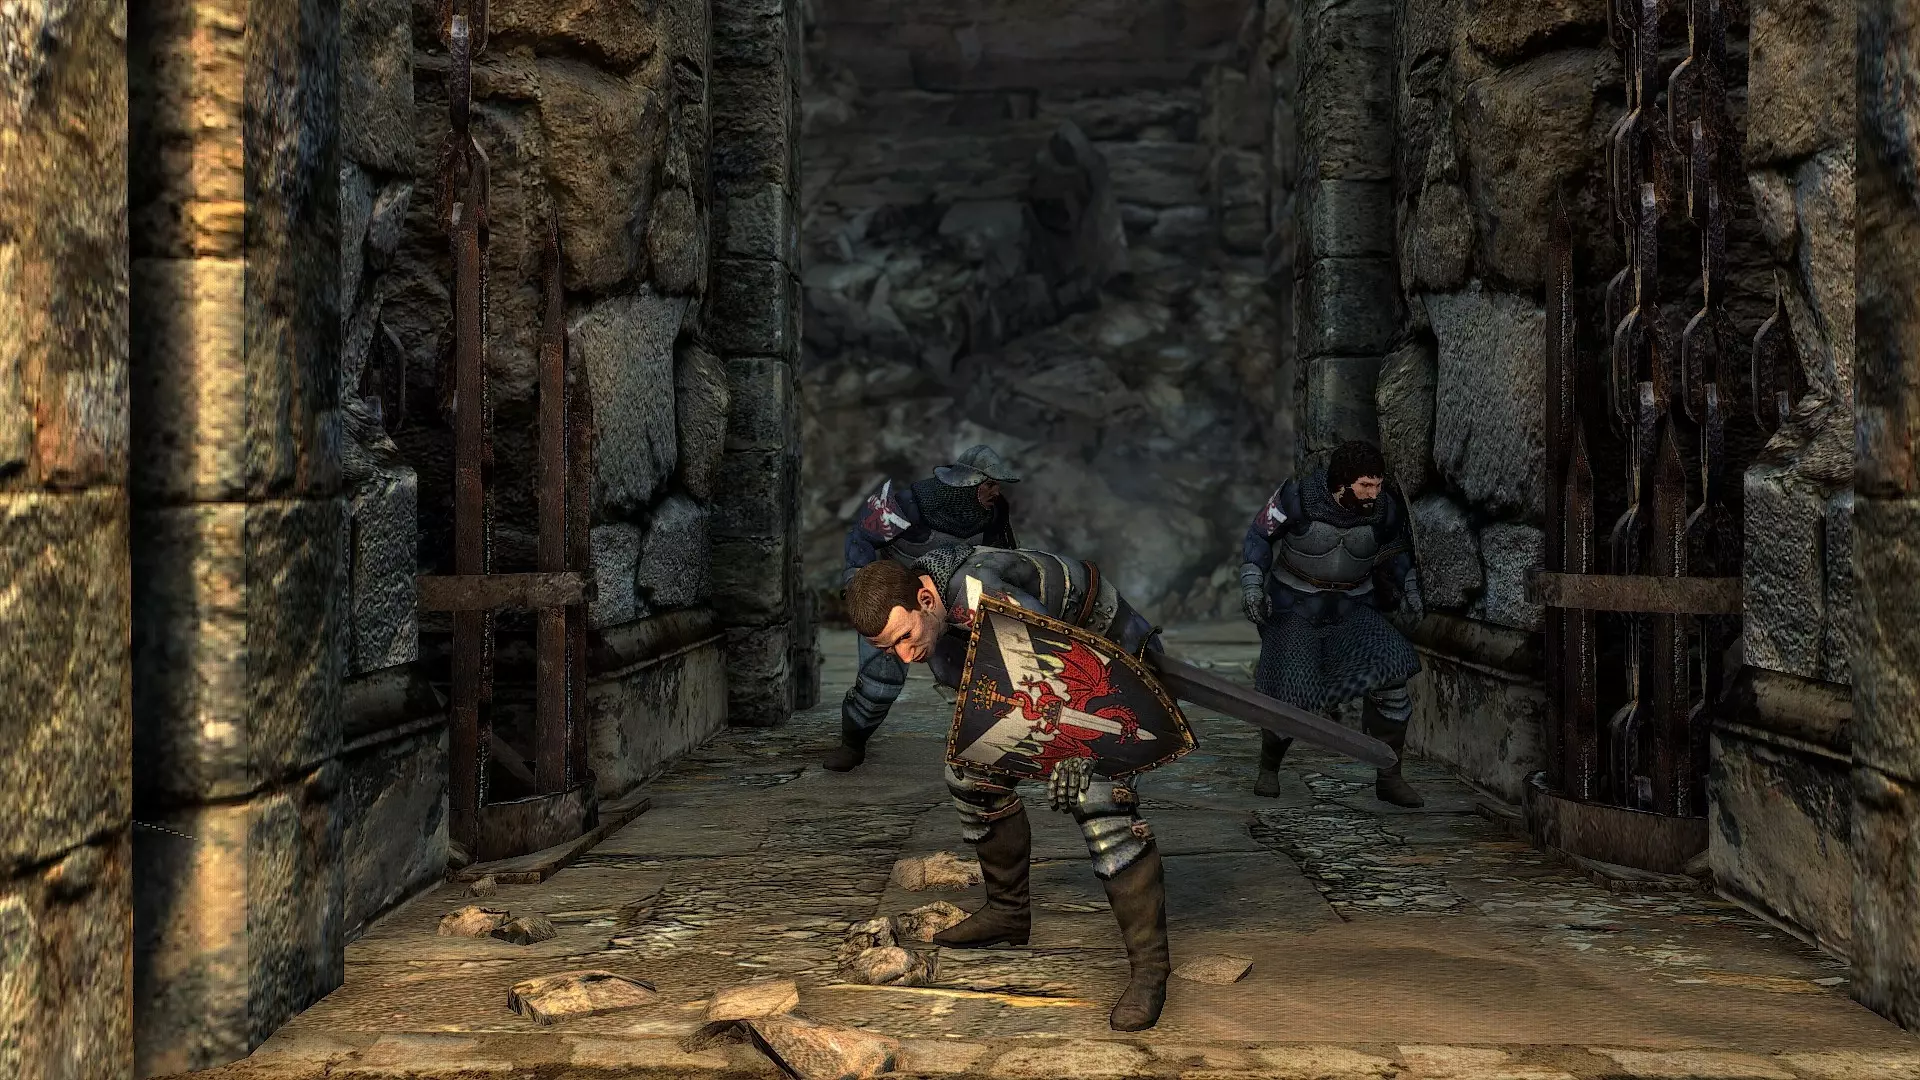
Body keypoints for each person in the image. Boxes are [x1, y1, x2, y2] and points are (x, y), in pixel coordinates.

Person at [843, 546, 1170, 1032]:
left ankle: (1150, 970)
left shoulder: (985, 595)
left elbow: (1060, 664)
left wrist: (1078, 754)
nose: (905, 656)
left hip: (1115, 671)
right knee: (968, 774)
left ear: (926, 598)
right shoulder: (939, 624)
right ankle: (1008, 912)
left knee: (1098, 798)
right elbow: (994, 697)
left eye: (906, 636)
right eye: (891, 648)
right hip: (1042, 691)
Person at [1239, 440, 1426, 806]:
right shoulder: (1296, 498)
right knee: (1289, 689)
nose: (1374, 493)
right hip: (1294, 607)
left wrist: (1410, 586)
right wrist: (1251, 585)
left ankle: (1390, 777)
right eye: (1365, 486)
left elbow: (1397, 550)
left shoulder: (1384, 508)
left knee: (1392, 675)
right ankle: (1269, 767)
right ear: (1341, 482)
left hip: (1353, 608)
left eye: (1377, 484)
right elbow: (1259, 535)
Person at [825, 445, 1021, 772]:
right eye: (989, 484)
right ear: (966, 484)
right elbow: (862, 537)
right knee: (878, 684)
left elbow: (1002, 555)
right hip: (898, 605)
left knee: (971, 680)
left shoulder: (995, 512)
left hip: (952, 606)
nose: (995, 492)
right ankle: (852, 744)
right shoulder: (910, 504)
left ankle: (981, 753)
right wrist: (859, 586)